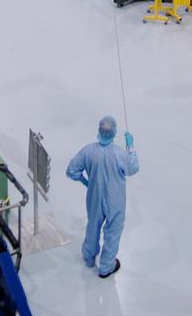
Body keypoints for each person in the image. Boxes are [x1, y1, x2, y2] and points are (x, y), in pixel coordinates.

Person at [66, 116, 139, 278]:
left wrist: (87, 182)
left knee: (93, 226)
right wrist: (131, 146)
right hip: (115, 200)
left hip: (94, 198)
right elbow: (133, 168)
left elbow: (71, 171)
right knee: (113, 231)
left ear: (99, 131)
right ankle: (106, 266)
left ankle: (89, 257)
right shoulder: (119, 154)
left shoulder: (88, 151)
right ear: (114, 133)